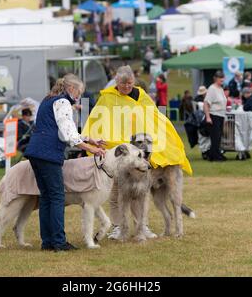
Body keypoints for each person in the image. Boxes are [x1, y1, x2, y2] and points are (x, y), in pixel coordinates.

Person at [82, 65, 192, 240]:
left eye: (130, 83)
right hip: (117, 152)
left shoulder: (142, 96)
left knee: (139, 192)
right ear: (116, 81)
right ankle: (118, 226)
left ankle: (142, 226)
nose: (126, 86)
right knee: (117, 191)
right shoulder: (108, 98)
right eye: (123, 83)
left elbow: (155, 119)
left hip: (137, 152)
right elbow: (97, 119)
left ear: (134, 81)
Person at [24, 74, 106, 252]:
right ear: (71, 89)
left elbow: (63, 130)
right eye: (79, 92)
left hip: (35, 152)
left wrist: (90, 140)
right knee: (56, 197)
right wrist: (90, 149)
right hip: (48, 154)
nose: (78, 96)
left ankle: (47, 242)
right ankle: (59, 242)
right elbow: (67, 133)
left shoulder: (48, 100)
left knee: (46, 197)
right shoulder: (63, 102)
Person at [204, 70, 227, 162]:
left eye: (223, 78)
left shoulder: (220, 89)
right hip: (214, 115)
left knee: (218, 137)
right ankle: (214, 156)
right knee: (215, 137)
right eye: (220, 78)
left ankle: (216, 153)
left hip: (221, 115)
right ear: (216, 79)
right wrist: (208, 117)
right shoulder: (212, 89)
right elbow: (206, 103)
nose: (222, 80)